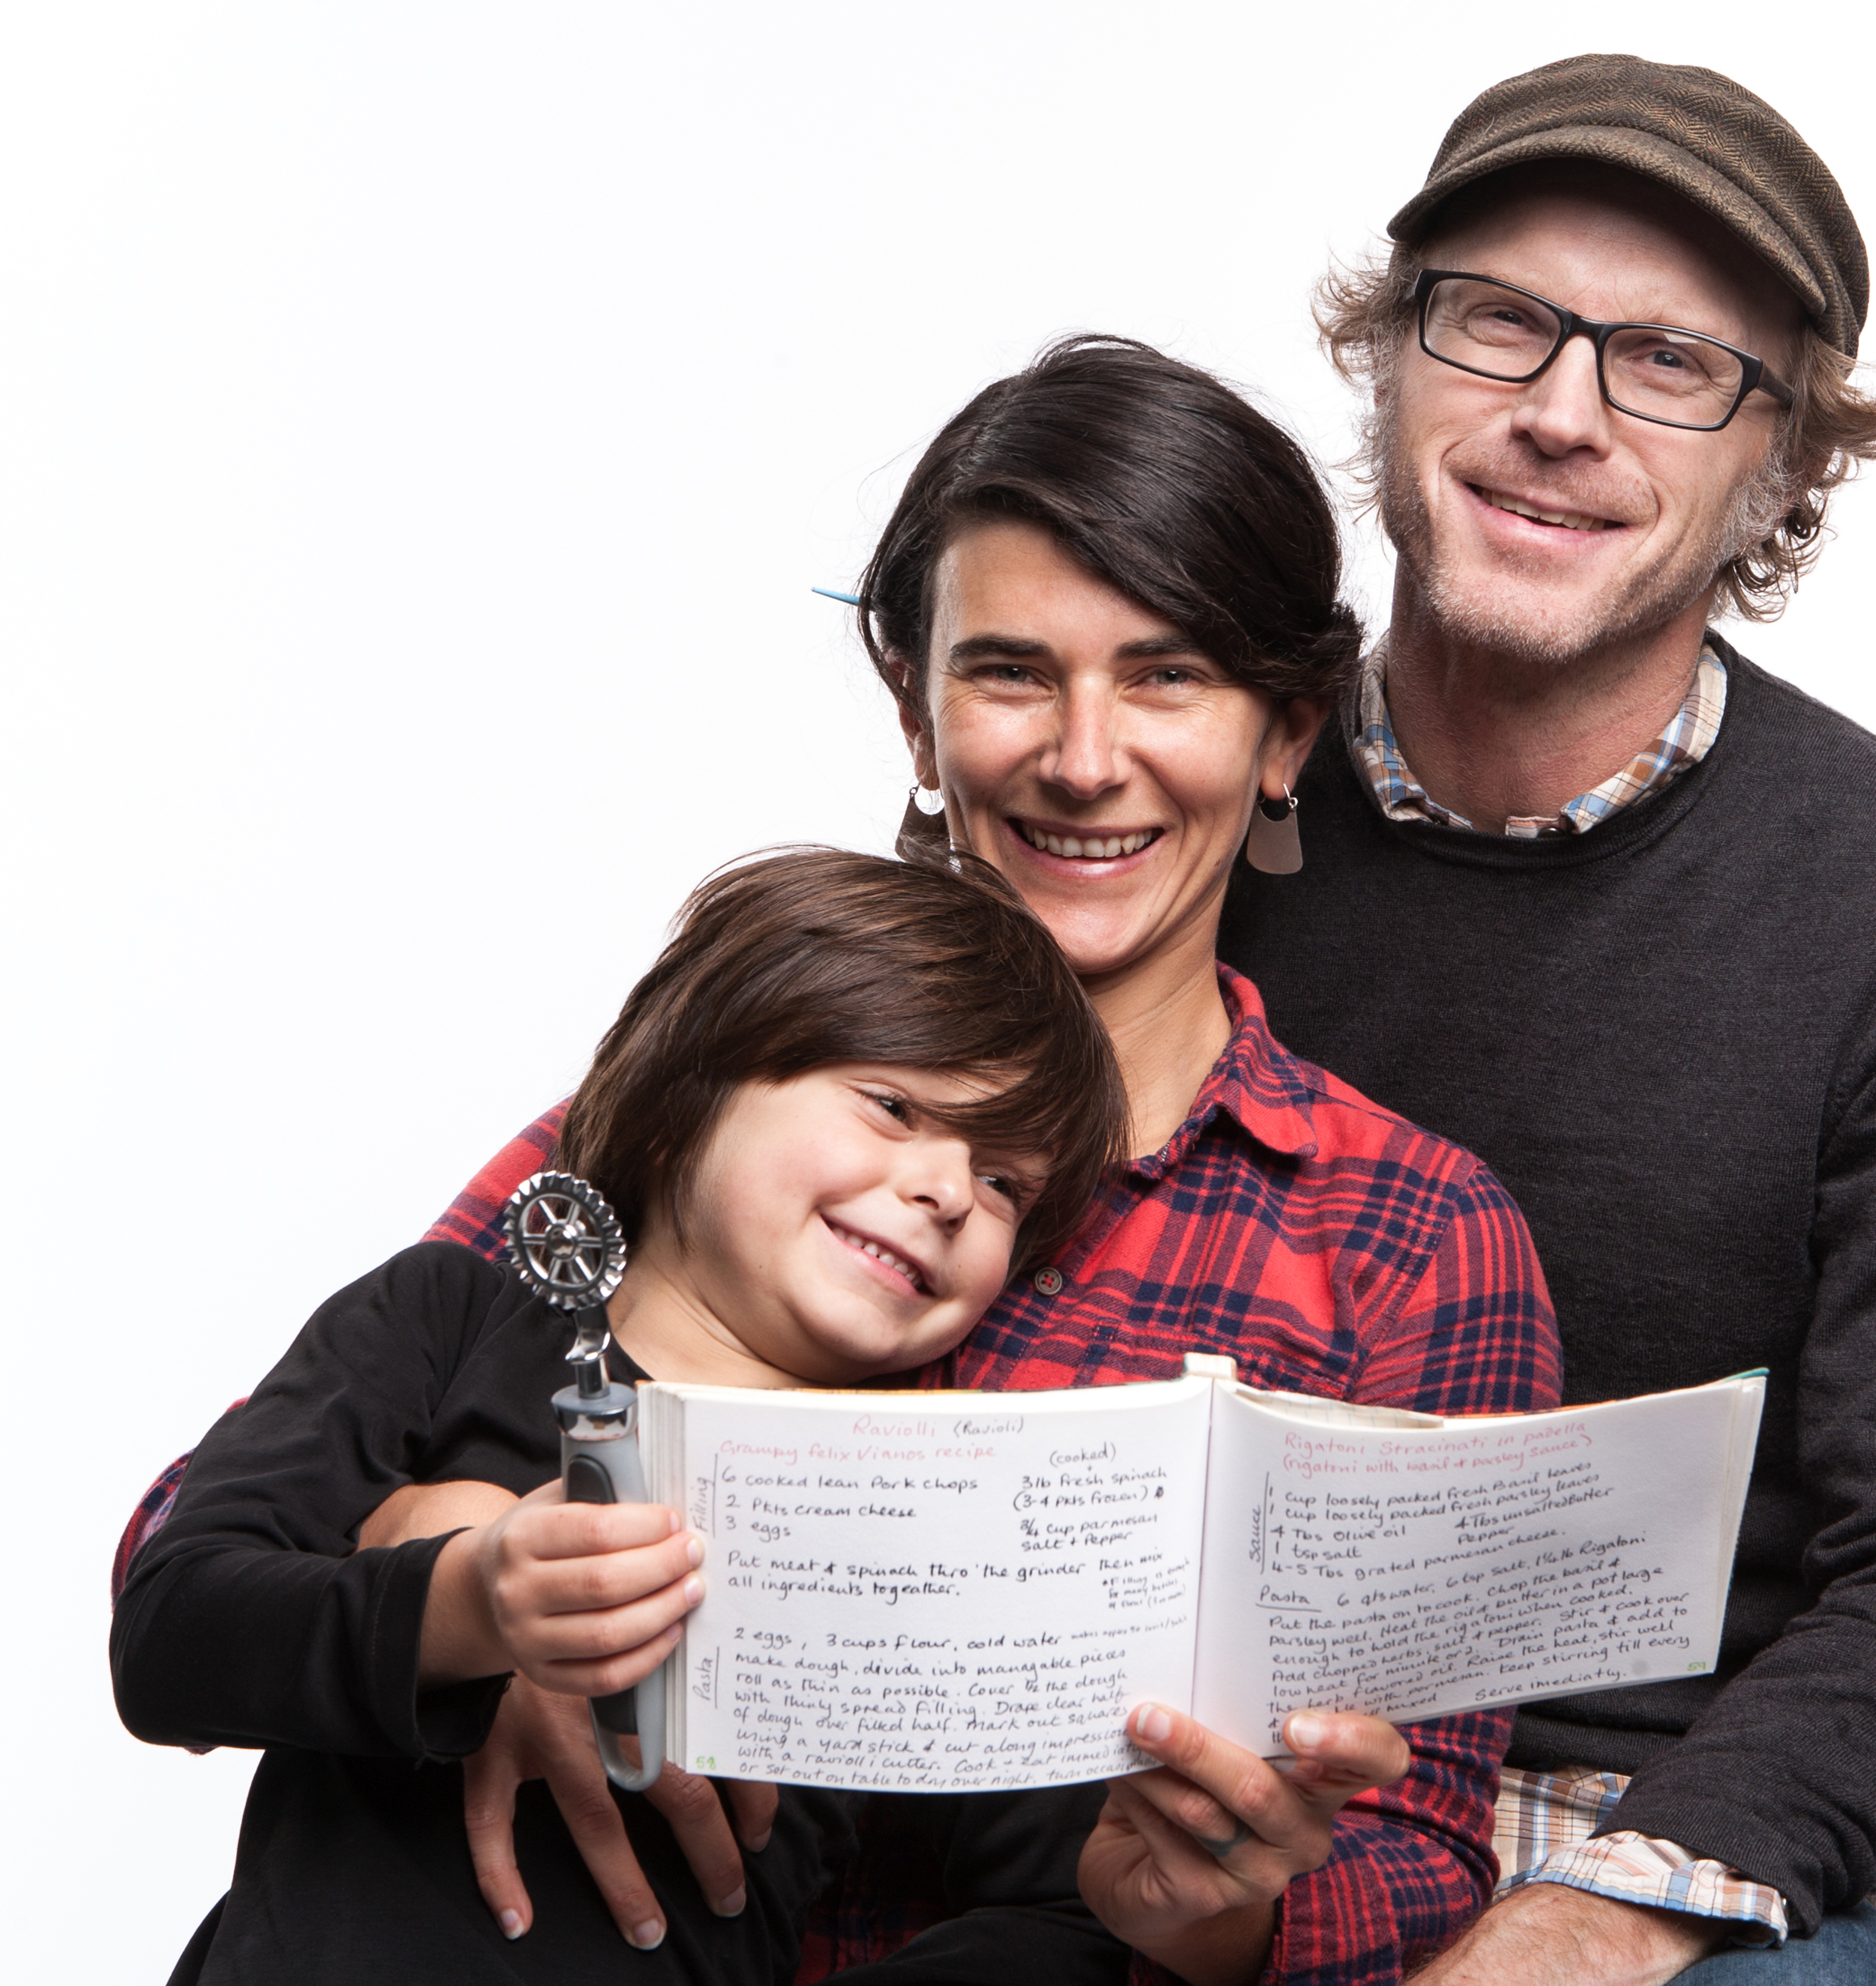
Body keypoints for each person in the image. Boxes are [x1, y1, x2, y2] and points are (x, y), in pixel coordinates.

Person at [119, 338, 1564, 1986]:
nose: (1084, 757)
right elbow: (199, 1546)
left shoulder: (1407, 1232)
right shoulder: (684, 1121)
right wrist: (470, 1585)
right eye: (1010, 672)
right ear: (915, 714)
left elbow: (1410, 1855)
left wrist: (1201, 1901)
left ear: (1286, 733)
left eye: (1166, 677)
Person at [1216, 52, 1876, 1986]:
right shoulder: (1156, 802)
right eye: (1496, 321)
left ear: (1780, 459)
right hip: (1169, 1811)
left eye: (1671, 364)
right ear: (1389, 353)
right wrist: (539, 1516)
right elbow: (712, 1214)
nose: (1559, 414)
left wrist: (1586, 1924)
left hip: (1655, 1859)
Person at [113, 848, 1131, 1983]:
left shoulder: (921, 1510)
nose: (947, 1191)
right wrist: (465, 1606)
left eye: (1005, 1183)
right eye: (894, 1107)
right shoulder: (447, 1315)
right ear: (690, 1091)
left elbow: (1074, 1915)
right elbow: (170, 1641)